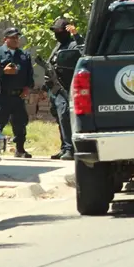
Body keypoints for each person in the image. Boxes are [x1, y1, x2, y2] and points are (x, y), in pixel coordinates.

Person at [46, 17, 82, 161]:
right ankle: (64, 147)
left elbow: (84, 52)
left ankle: (70, 148)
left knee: (65, 116)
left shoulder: (73, 44)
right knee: (60, 118)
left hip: (67, 88)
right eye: (55, 31)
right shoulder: (59, 45)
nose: (56, 33)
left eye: (59, 30)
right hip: (55, 89)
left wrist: (76, 34)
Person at [0, 27, 34, 158]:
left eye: (17, 37)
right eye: (12, 37)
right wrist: (3, 71)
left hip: (18, 95)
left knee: (20, 123)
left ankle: (20, 149)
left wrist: (26, 89)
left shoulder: (24, 55)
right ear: (5, 39)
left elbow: (29, 75)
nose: (16, 40)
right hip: (3, 95)